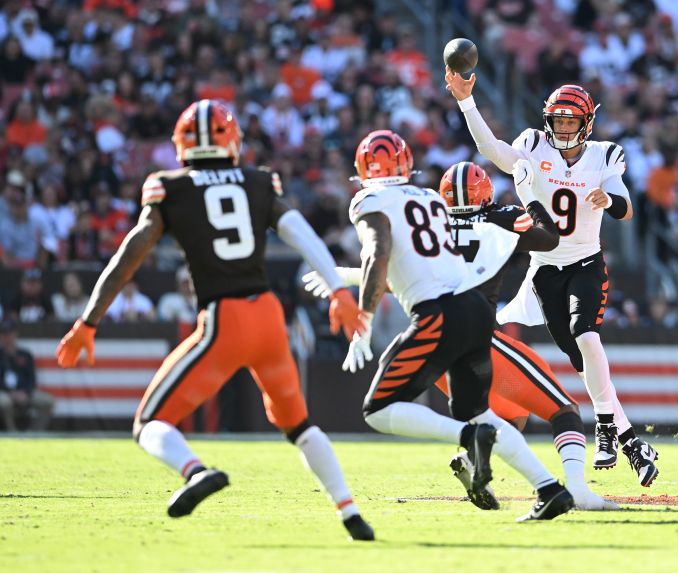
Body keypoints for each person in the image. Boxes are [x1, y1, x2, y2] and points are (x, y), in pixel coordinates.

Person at [55, 100, 374, 541]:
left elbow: (131, 253)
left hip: (224, 319)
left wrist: (89, 320)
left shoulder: (171, 186)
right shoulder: (258, 181)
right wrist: (339, 291)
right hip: (267, 316)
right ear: (233, 141)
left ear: (181, 145)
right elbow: (300, 232)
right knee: (299, 425)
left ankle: (194, 472)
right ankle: (350, 512)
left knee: (150, 423)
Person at [305, 160, 616, 511]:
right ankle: (575, 489)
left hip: (434, 333)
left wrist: (348, 276)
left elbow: (407, 274)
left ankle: (481, 462)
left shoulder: (433, 220)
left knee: (503, 416)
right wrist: (530, 196)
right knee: (563, 410)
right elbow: (550, 238)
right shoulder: (502, 217)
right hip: (478, 332)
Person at [343, 129, 574, 521]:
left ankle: (468, 438)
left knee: (377, 409)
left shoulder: (370, 200)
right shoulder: (430, 199)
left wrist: (362, 319)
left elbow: (380, 254)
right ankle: (549, 489)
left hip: (437, 314)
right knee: (477, 412)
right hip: (475, 311)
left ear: (364, 170)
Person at [446, 72, 659, 486]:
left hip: (585, 262)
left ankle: (605, 427)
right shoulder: (531, 145)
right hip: (545, 270)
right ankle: (632, 441)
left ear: (586, 123)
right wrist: (466, 103)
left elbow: (626, 206)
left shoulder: (604, 155)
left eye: (569, 121)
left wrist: (609, 199)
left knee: (587, 336)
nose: (562, 128)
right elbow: (491, 150)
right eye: (557, 121)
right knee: (582, 362)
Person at [0, 320, 54, 431]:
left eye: (10, 334)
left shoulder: (25, 355)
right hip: (5, 392)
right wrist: (11, 393)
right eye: (4, 334)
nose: (7, 337)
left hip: (25, 392)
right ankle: (12, 432)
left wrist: (26, 392)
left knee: (48, 401)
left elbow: (31, 378)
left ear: (15, 334)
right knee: (3, 402)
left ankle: (34, 433)